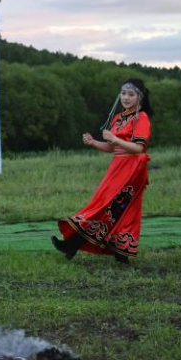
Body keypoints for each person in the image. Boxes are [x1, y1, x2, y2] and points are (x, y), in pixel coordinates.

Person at [53, 79, 152, 265]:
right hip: (118, 167)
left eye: (131, 94)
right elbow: (112, 148)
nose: (126, 98)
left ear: (140, 97)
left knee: (110, 208)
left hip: (132, 169)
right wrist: (94, 143)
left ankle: (73, 245)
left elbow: (139, 148)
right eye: (123, 93)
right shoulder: (119, 118)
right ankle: (119, 254)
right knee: (111, 209)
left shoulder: (141, 118)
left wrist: (115, 139)